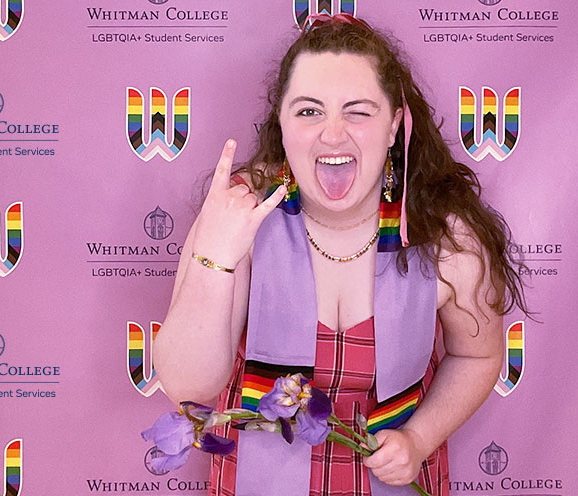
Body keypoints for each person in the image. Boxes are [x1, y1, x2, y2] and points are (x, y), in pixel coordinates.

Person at [153, 14, 527, 496]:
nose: (333, 134)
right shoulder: (240, 211)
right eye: (309, 111)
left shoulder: (445, 233)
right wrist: (216, 257)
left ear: (394, 125)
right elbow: (188, 387)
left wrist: (419, 437)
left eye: (358, 111)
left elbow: (478, 354)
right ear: (282, 125)